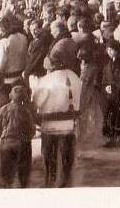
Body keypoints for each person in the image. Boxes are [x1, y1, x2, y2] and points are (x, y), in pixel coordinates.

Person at [32, 48, 83, 188]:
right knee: (67, 156)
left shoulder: (46, 80)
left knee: (50, 156)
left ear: (51, 64)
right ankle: (66, 182)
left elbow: (37, 102)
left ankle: (50, 180)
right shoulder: (74, 76)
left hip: (49, 125)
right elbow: (79, 101)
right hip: (69, 124)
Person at [0, 84, 36, 189]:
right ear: (24, 97)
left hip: (6, 143)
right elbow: (32, 130)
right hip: (22, 144)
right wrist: (27, 138)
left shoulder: (3, 109)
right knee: (23, 173)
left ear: (10, 96)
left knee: (6, 174)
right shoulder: (26, 111)